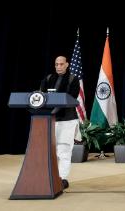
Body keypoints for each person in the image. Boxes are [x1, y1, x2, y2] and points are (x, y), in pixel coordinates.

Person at [40, 56, 80, 189]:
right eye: (56, 64)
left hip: (67, 120)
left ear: (67, 64)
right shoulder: (48, 78)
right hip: (50, 119)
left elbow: (72, 98)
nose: (58, 66)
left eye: (61, 64)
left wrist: (58, 98)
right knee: (50, 151)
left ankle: (62, 178)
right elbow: (41, 95)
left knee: (64, 150)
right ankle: (49, 177)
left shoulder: (73, 79)